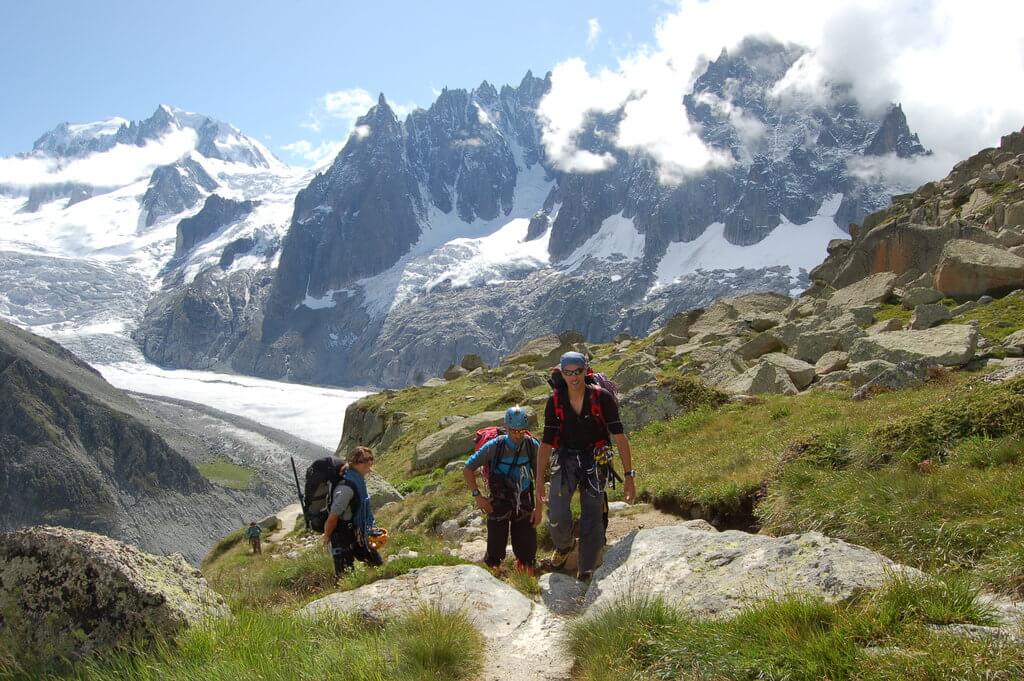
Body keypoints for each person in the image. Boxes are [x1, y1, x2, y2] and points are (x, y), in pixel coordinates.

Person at [532, 351, 636, 581]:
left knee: (592, 516)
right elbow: (546, 444)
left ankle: (586, 569)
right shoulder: (555, 402)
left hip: (595, 460)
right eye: (568, 373)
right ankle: (565, 546)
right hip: (566, 458)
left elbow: (620, 437)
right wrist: (539, 481)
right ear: (562, 373)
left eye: (577, 372)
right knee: (557, 513)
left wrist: (629, 476)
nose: (573, 378)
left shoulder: (602, 398)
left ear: (585, 371)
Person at [463, 406, 538, 577]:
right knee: (496, 538)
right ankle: (493, 569)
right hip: (499, 499)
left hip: (523, 496)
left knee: (526, 538)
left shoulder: (531, 445)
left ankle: (526, 567)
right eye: (513, 431)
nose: (517, 435)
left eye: (521, 431)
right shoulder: (494, 447)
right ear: (507, 427)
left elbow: (540, 475)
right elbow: (468, 469)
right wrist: (478, 497)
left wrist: (539, 507)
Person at [322, 446, 385, 577]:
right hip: (342, 536)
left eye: (371, 459)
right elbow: (333, 517)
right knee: (344, 577)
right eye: (364, 460)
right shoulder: (346, 489)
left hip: (357, 532)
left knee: (377, 566)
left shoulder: (358, 480)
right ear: (354, 463)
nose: (369, 462)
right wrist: (327, 536)